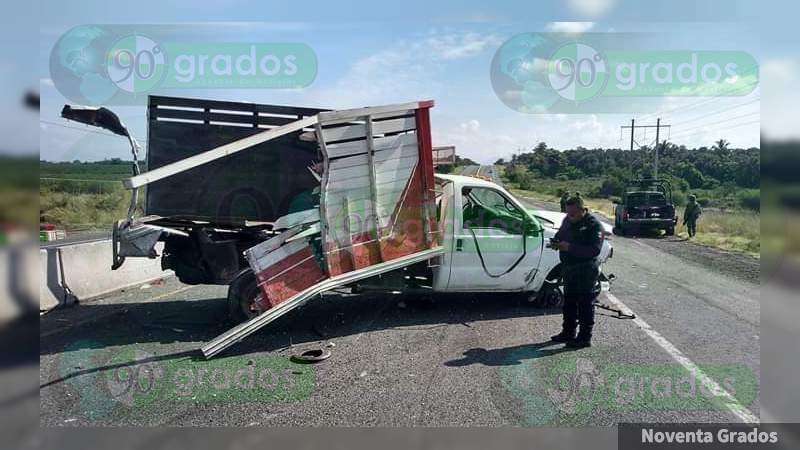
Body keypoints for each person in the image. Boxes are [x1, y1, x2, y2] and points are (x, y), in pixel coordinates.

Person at [548, 196, 604, 348]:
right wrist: (556, 243)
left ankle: (584, 338)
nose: (569, 216)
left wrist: (569, 248)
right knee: (569, 303)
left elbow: (594, 250)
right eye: (567, 212)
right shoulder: (567, 220)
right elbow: (560, 235)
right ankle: (568, 332)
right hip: (569, 268)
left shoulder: (593, 225)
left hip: (586, 269)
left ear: (582, 210)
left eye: (572, 213)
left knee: (585, 304)